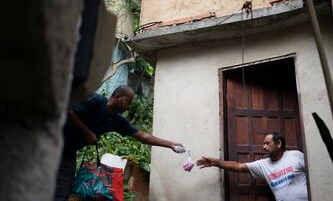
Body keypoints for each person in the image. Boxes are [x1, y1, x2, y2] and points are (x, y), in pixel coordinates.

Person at [54, 85, 185, 201]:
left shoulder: (117, 121)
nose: (128, 107)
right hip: (52, 145)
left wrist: (171, 144)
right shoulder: (95, 101)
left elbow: (143, 136)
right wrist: (86, 132)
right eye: (128, 102)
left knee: (62, 193)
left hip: (68, 154)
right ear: (117, 96)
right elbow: (68, 111)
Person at [196, 133, 308, 201]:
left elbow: (314, 174)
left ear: (278, 143)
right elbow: (239, 166)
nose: (263, 147)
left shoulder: (295, 156)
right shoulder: (263, 164)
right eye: (263, 144)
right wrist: (216, 162)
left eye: (267, 143)